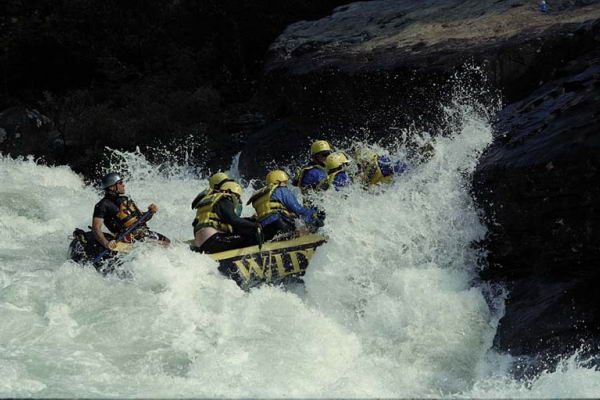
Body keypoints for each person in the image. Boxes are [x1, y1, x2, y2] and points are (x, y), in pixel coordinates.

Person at [92, 172, 170, 251]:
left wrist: (151, 212)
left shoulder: (124, 199)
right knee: (164, 245)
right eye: (120, 183)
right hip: (127, 238)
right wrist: (106, 243)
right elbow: (96, 229)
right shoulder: (102, 205)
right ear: (112, 187)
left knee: (167, 241)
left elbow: (141, 218)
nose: (123, 185)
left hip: (142, 233)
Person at [248, 170, 324, 242]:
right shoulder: (282, 190)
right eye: (285, 182)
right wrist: (314, 214)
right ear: (278, 182)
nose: (286, 184)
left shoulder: (263, 195)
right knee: (303, 231)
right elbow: (298, 209)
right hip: (279, 224)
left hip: (264, 228)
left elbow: (269, 212)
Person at [191, 181, 260, 254]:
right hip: (213, 240)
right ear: (227, 191)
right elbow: (233, 220)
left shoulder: (209, 201)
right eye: (237, 196)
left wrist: (249, 219)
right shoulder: (225, 199)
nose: (236, 199)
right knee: (250, 236)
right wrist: (254, 225)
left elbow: (228, 220)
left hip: (200, 244)